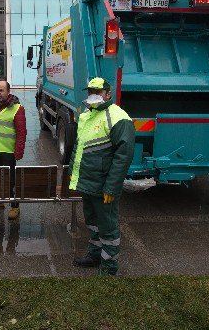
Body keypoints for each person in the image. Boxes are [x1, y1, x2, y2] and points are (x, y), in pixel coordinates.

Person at [69, 77, 135, 276]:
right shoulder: (86, 114)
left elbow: (123, 157)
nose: (93, 95)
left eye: (98, 92)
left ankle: (109, 267)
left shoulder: (118, 117)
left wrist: (111, 187)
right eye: (90, 92)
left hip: (103, 185)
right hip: (87, 183)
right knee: (93, 222)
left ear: (108, 94)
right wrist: (74, 175)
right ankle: (95, 255)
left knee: (108, 227)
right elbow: (78, 148)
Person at [0, 78, 27, 220]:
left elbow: (22, 132)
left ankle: (15, 206)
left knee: (11, 181)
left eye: (1, 90)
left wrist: (19, 151)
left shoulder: (17, 108)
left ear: (8, 92)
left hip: (8, 152)